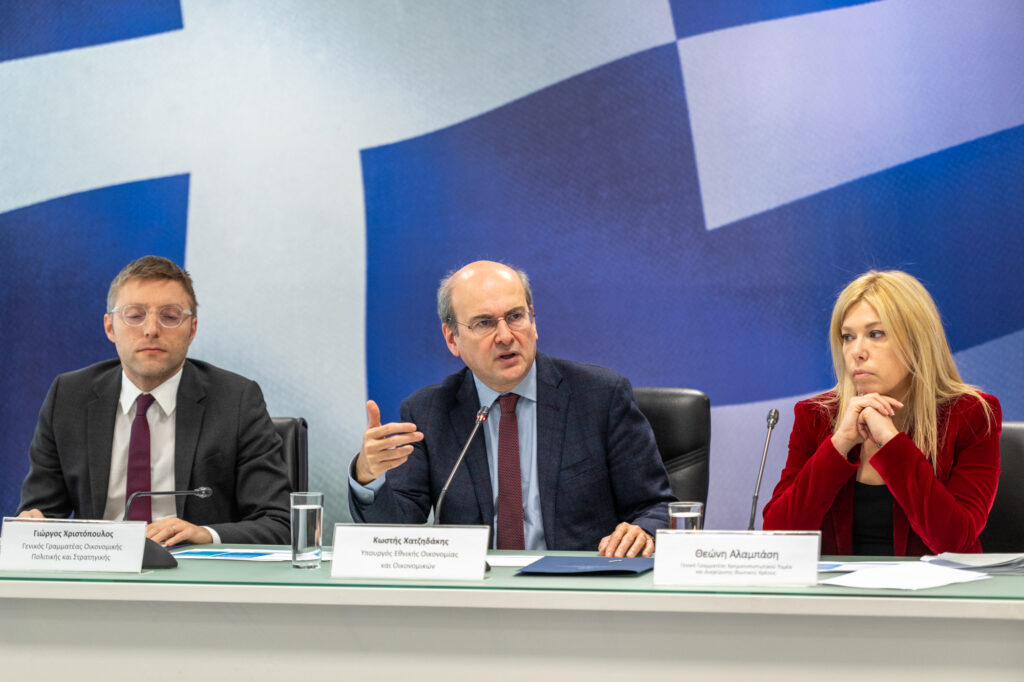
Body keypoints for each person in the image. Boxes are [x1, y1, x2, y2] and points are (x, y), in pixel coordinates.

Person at [349, 261, 675, 557]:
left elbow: (657, 507)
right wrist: (368, 476)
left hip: (577, 589)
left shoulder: (600, 397)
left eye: (516, 317)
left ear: (533, 322)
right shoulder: (428, 412)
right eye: (484, 323)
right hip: (474, 594)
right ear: (452, 338)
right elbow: (397, 530)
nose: (505, 336)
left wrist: (643, 531)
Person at [17, 256, 291, 546]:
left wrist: (205, 535)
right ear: (110, 328)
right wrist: (32, 523)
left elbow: (279, 524)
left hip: (196, 570)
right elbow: (42, 513)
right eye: (135, 315)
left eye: (170, 317)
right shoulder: (69, 397)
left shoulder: (236, 400)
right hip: (100, 568)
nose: (151, 329)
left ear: (192, 330)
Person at [762, 270, 1001, 555]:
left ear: (917, 342)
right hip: (838, 585)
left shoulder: (971, 415)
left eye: (876, 334)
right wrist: (838, 445)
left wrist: (891, 442)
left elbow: (954, 542)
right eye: (848, 337)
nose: (857, 351)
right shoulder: (816, 416)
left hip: (934, 585)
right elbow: (778, 537)